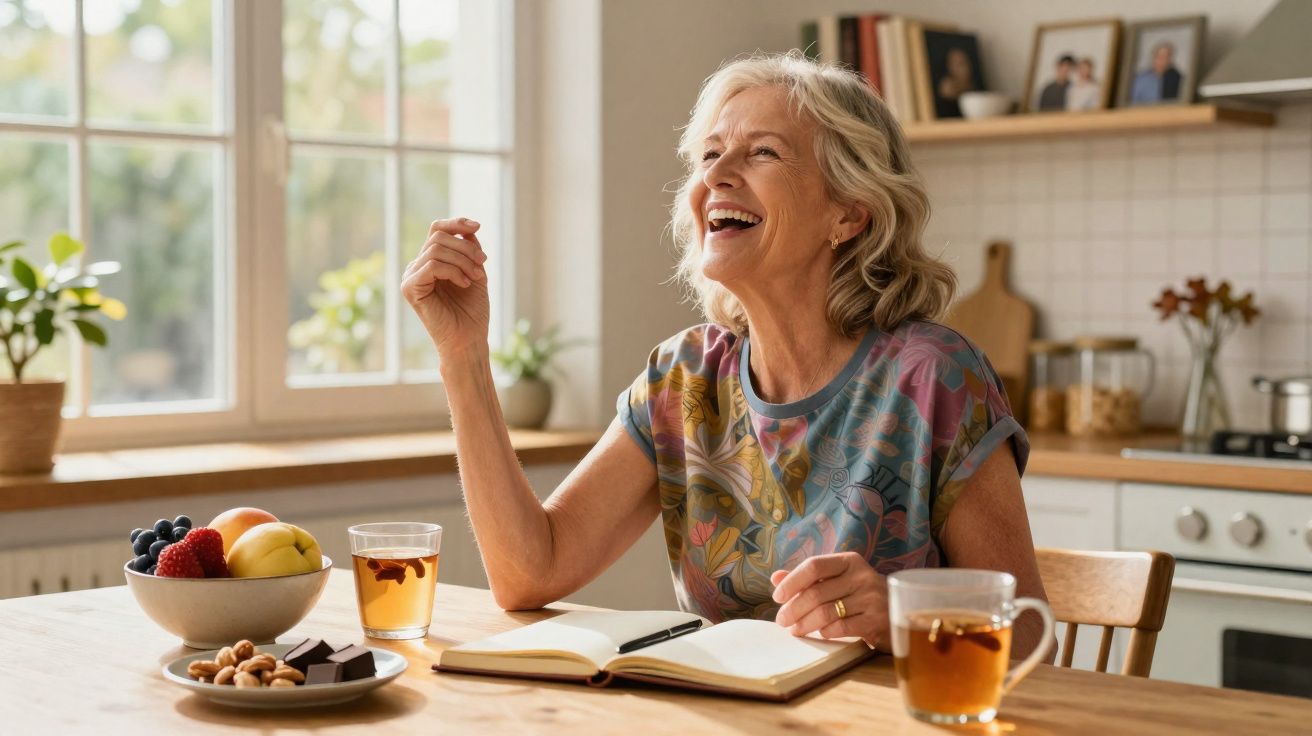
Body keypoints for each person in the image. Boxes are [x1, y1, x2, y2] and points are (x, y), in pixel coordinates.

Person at [402, 51, 1050, 658]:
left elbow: (1028, 641)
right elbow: (529, 571)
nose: (714, 175)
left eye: (762, 152)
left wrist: (903, 619)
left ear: (849, 214)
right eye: (710, 154)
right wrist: (462, 357)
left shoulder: (932, 377)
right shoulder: (684, 378)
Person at [935, 47, 976, 118]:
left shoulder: (973, 88)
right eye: (958, 64)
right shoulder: (947, 88)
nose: (964, 68)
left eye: (964, 63)